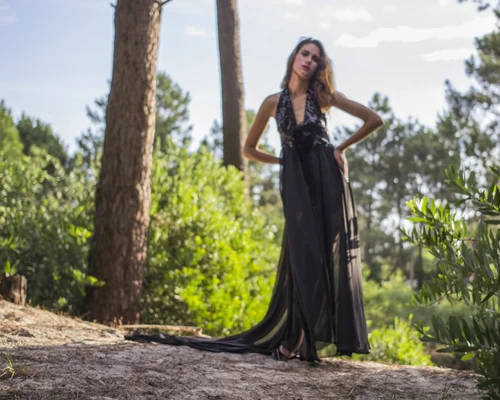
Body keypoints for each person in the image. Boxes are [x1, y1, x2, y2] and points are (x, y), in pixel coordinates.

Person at [126, 37, 384, 364]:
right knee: (300, 261)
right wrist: (282, 162)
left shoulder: (324, 98)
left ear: (320, 66)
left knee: (319, 267)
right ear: (294, 57)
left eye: (315, 58)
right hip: (296, 189)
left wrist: (340, 148)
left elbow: (374, 119)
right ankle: (295, 338)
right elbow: (249, 150)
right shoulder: (272, 103)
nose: (308, 60)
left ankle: (298, 342)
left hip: (329, 185)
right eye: (304, 54)